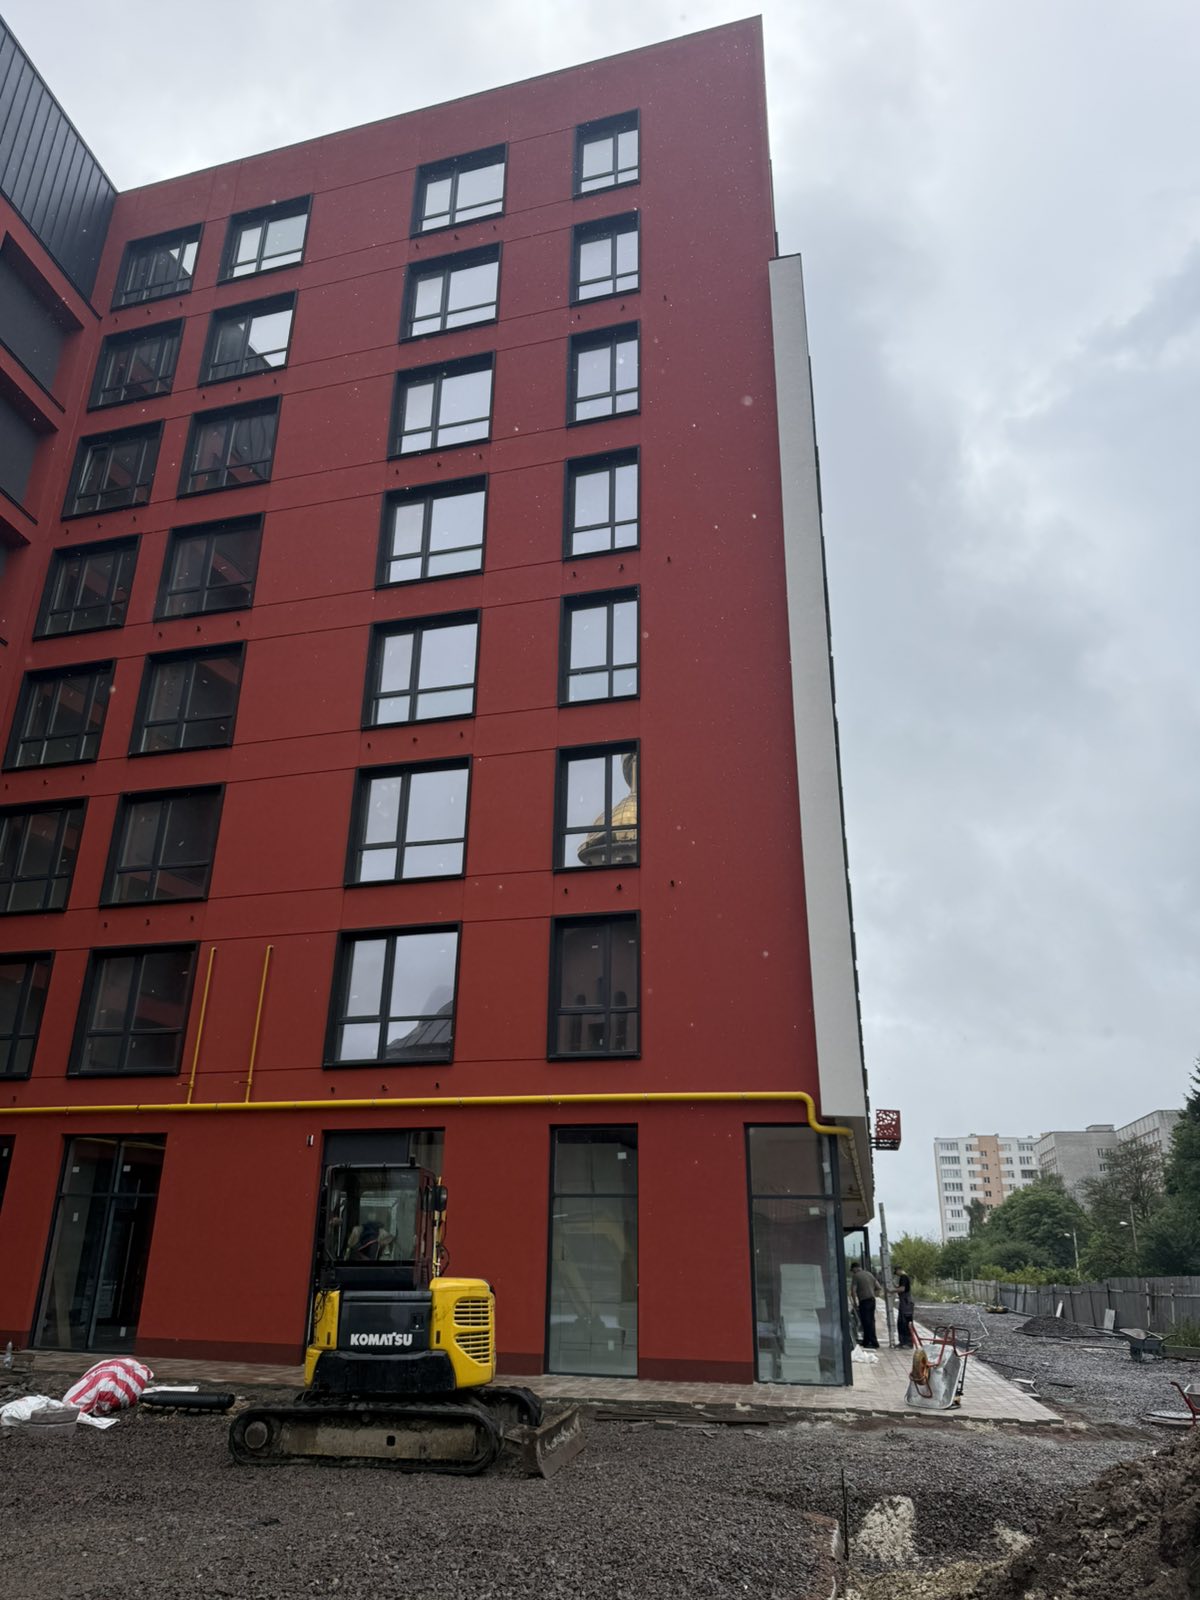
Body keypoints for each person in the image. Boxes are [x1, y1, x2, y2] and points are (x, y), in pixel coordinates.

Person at [849, 1260, 881, 1349]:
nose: (853, 1272)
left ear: (855, 1268)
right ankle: (866, 1341)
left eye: (852, 1270)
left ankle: (873, 1342)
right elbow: (878, 1287)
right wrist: (873, 1293)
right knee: (871, 1321)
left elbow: (853, 1291)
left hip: (864, 1301)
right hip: (872, 1300)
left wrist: (855, 1303)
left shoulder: (856, 1276)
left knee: (866, 1322)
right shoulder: (869, 1274)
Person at [895, 1272, 915, 1349]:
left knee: (905, 1323)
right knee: (902, 1323)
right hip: (905, 1304)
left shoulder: (903, 1277)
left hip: (906, 1304)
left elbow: (902, 1289)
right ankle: (903, 1342)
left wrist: (892, 1290)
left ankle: (907, 1343)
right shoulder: (905, 1277)